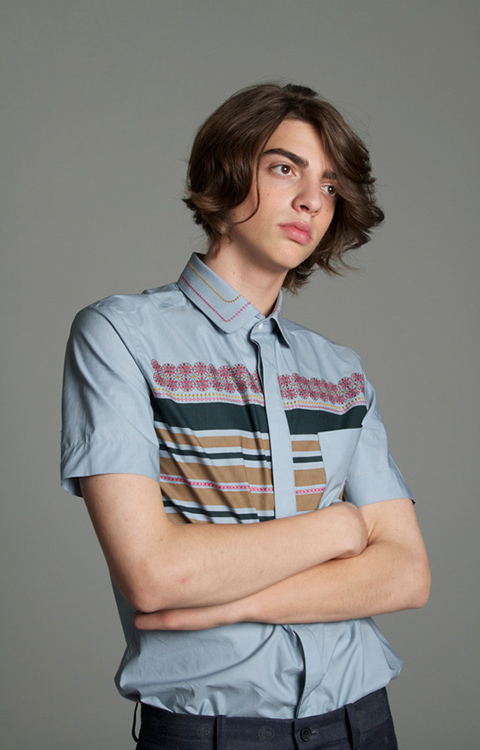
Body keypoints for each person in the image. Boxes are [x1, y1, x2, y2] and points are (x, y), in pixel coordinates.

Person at [61, 83, 430, 750]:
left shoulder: (340, 370)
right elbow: (156, 573)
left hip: (362, 721)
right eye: (285, 168)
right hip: (212, 732)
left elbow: (406, 574)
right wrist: (341, 527)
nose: (313, 199)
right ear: (226, 172)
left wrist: (239, 602)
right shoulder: (120, 336)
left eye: (329, 184)